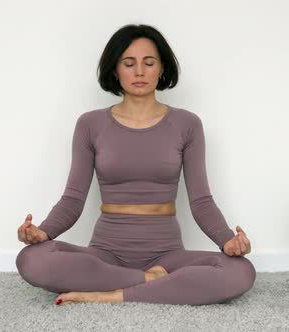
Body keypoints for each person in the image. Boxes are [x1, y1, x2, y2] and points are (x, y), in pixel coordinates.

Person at [15, 24, 255, 306]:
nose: (139, 72)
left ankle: (112, 295)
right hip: (105, 253)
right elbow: (72, 200)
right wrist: (43, 232)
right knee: (31, 259)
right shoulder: (90, 124)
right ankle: (152, 283)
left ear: (161, 68)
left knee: (240, 271)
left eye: (149, 63)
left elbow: (201, 202)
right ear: (115, 70)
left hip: (167, 256)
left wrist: (228, 241)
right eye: (129, 64)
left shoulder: (187, 124)